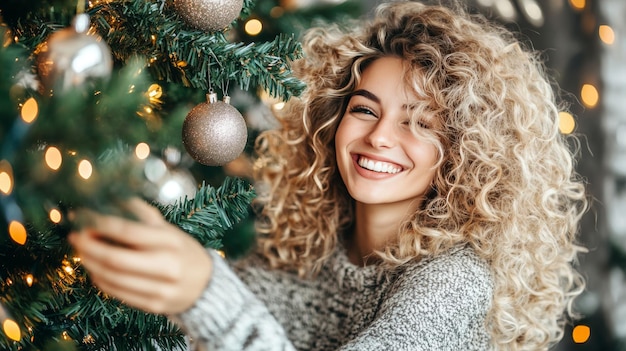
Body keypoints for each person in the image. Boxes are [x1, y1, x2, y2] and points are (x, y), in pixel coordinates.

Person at [68, 1, 589, 350]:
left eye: (421, 123)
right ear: (332, 121)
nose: (380, 137)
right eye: (364, 110)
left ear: (467, 154)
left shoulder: (455, 283)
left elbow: (215, 307)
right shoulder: (307, 250)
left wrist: (206, 294)